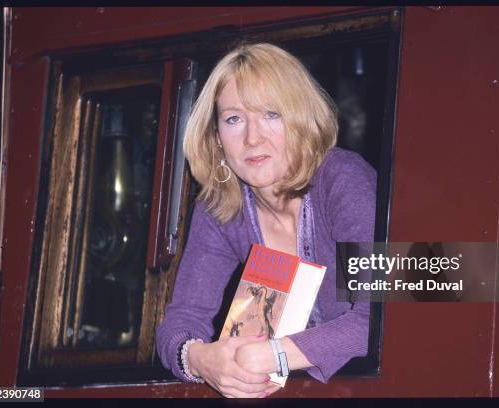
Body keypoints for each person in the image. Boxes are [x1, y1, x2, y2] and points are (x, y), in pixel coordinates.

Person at [156, 43, 376, 398]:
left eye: (270, 114)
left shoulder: (344, 179)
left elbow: (381, 319)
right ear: (216, 139)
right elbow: (179, 324)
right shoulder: (221, 207)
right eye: (233, 119)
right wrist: (200, 359)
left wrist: (272, 355)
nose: (252, 138)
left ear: (300, 119)